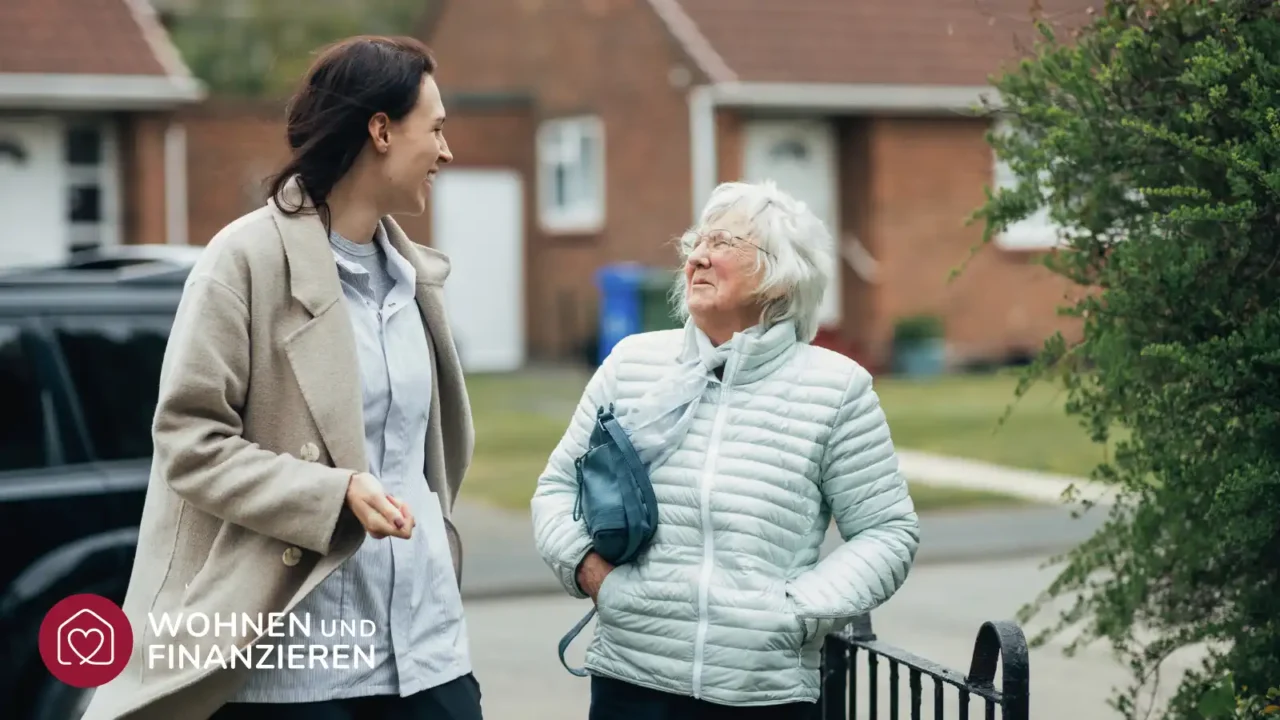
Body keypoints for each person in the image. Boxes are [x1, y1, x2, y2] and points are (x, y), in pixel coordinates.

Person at [81, 36, 482, 720]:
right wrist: (331, 493)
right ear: (380, 131)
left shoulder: (417, 281)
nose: (447, 152)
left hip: (427, 652)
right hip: (297, 664)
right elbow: (188, 441)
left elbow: (425, 458)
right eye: (436, 129)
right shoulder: (242, 261)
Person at [531, 180, 921, 720]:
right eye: (698, 241)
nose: (699, 257)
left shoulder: (836, 389)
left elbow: (888, 533)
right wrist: (591, 574)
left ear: (783, 280)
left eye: (725, 243)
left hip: (764, 693)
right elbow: (557, 488)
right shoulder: (632, 363)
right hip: (632, 683)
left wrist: (794, 614)